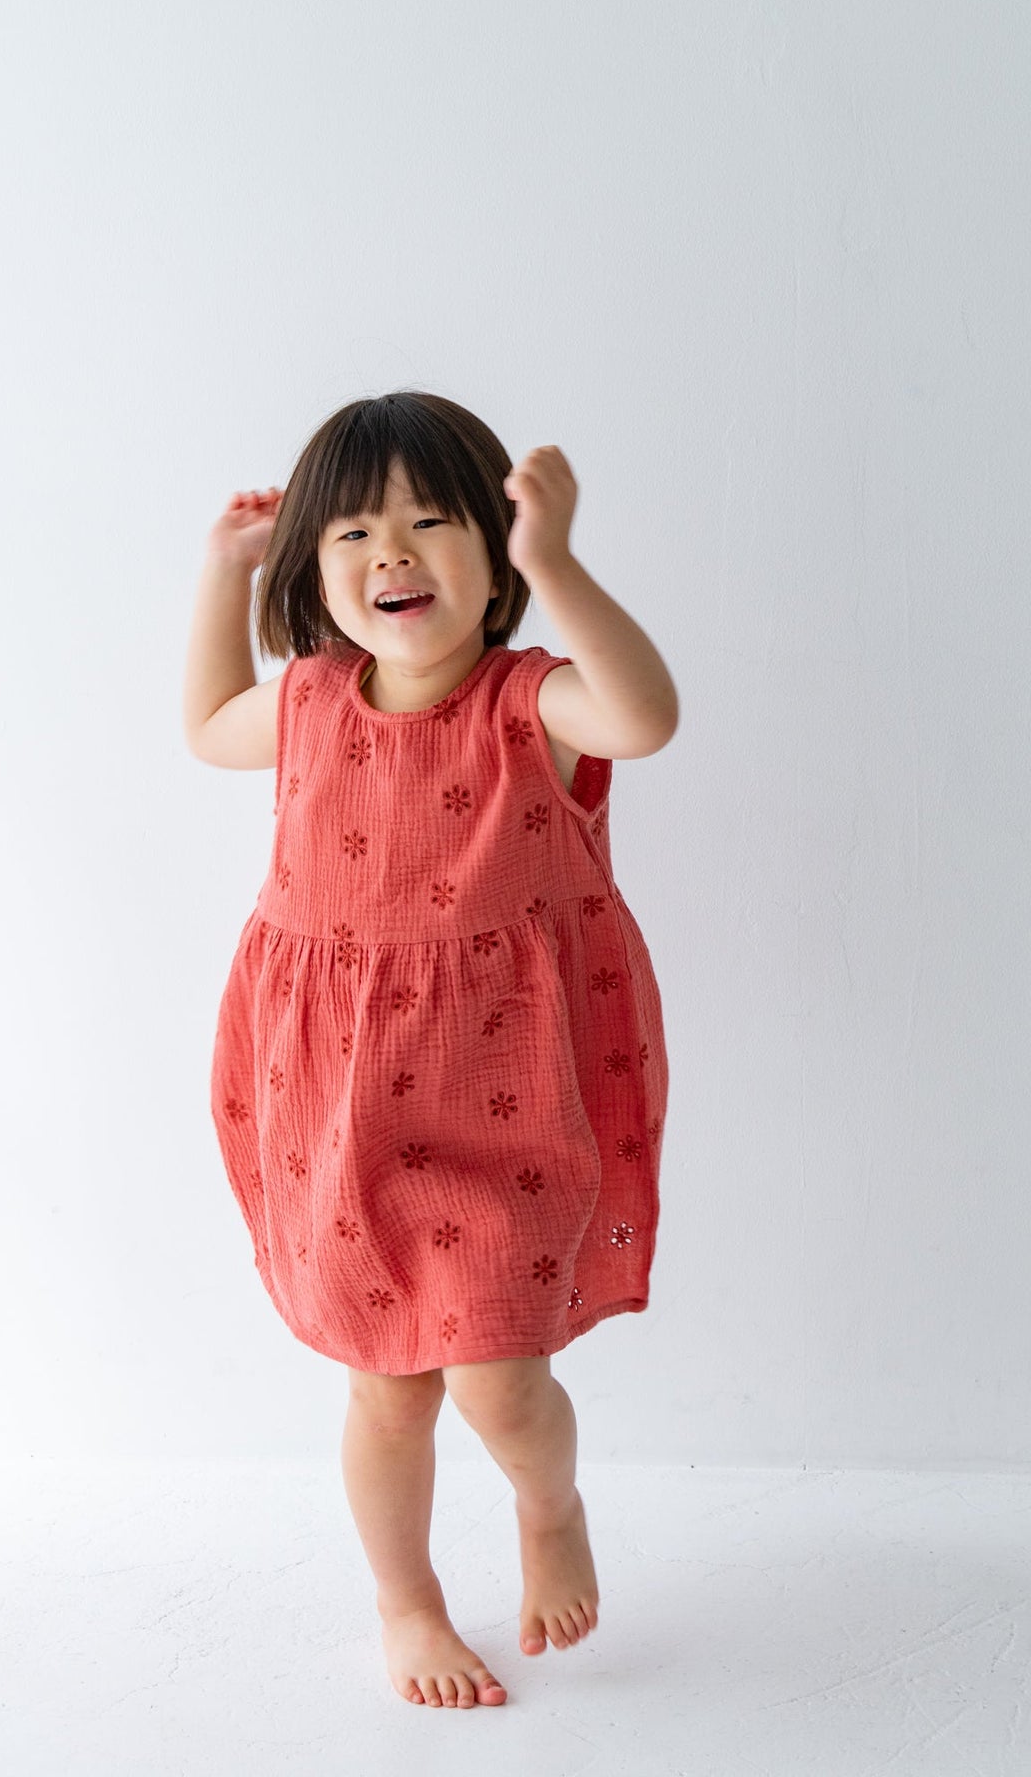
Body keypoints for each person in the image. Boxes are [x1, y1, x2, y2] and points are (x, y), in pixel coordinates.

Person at [182, 390, 676, 1710]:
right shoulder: (307, 703)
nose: (390, 554)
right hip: (340, 1109)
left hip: (501, 1102)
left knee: (501, 1382)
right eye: (352, 532)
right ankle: (405, 1602)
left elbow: (644, 718)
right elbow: (207, 722)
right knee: (388, 1391)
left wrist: (558, 562)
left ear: (494, 553)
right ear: (313, 567)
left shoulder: (531, 704)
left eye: (428, 523)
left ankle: (549, 1505)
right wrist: (222, 578)